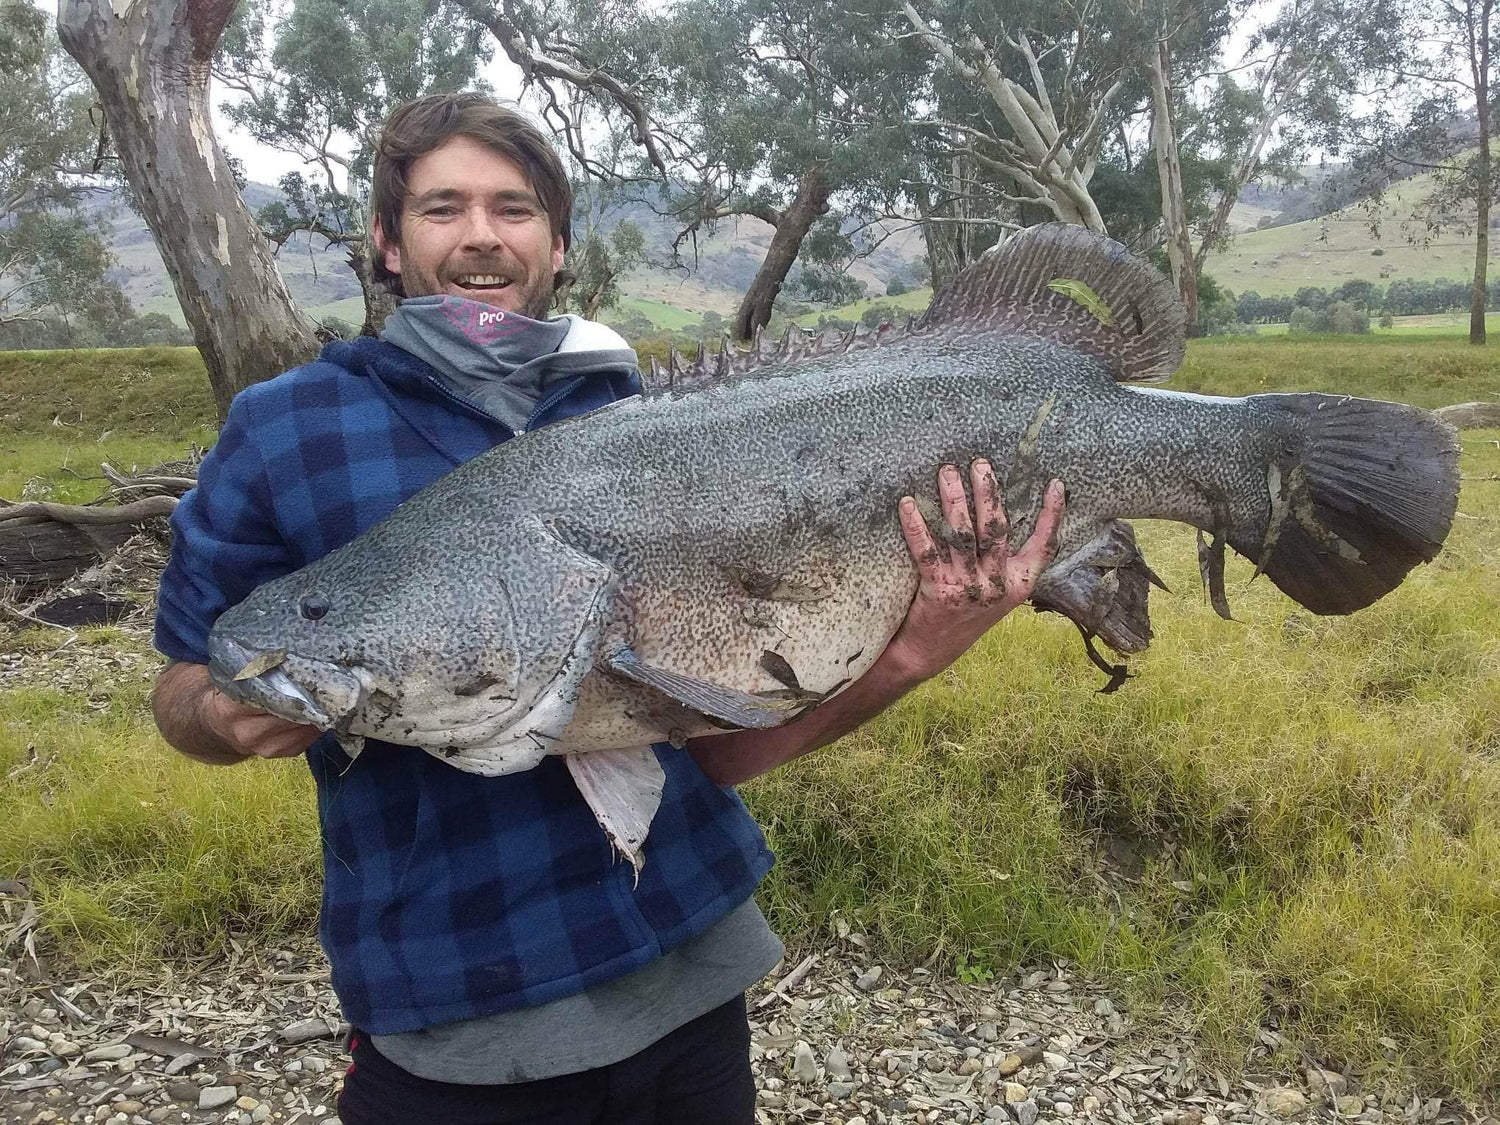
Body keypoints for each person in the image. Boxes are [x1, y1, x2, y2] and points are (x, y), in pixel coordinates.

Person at [150, 91, 1064, 1125]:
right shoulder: (283, 431)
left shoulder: (628, 406)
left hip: (691, 966)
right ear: (386, 241)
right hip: (461, 1014)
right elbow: (188, 677)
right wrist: (222, 717)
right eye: (443, 208)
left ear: (559, 240)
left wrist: (909, 654)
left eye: (515, 208)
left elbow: (710, 742)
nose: (482, 236)